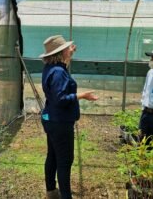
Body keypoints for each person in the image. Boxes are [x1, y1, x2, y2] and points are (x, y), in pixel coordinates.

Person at [39, 35, 98, 199]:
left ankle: (51, 191)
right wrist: (82, 95)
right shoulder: (58, 72)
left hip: (51, 118)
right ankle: (66, 196)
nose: (71, 49)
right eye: (68, 48)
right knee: (64, 161)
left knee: (52, 155)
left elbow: (56, 96)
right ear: (61, 52)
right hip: (60, 122)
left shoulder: (51, 68)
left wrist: (68, 55)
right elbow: (61, 99)